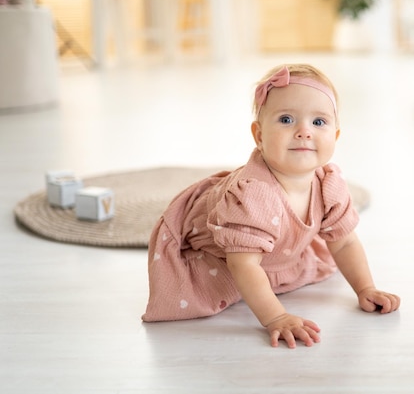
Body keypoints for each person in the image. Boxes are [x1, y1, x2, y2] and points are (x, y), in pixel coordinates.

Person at [142, 63, 400, 348]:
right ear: (259, 135)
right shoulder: (254, 194)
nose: (304, 131)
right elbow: (243, 264)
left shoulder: (329, 184)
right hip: (222, 258)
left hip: (277, 253)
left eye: (318, 122)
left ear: (335, 136)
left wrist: (366, 288)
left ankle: (277, 270)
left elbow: (344, 243)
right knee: (226, 279)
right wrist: (275, 316)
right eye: (287, 120)